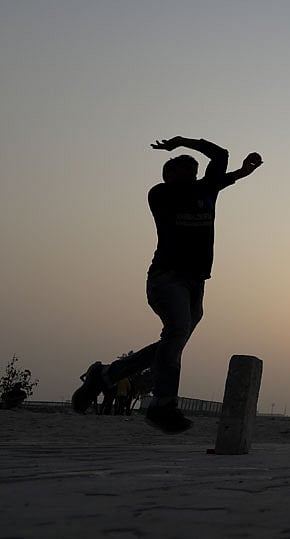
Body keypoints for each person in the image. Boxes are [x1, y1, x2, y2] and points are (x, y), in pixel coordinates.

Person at [71, 137, 263, 433]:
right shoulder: (160, 195)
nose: (192, 176)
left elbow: (219, 154)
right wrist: (185, 148)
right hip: (166, 278)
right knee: (175, 334)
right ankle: (163, 405)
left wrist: (238, 171)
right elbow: (216, 171)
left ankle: (106, 375)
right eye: (185, 172)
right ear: (169, 176)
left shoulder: (206, 190)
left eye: (194, 171)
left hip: (196, 282)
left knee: (172, 343)